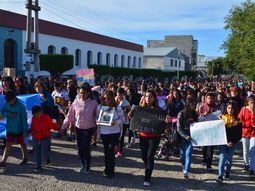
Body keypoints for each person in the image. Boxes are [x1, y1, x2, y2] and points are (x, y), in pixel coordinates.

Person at [129, 90, 163, 187]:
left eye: (150, 96)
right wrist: (131, 115)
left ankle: (147, 177)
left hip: (154, 137)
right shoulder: (140, 108)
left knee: (150, 156)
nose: (148, 98)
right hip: (143, 135)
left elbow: (162, 123)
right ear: (144, 98)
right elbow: (134, 120)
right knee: (144, 156)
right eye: (147, 96)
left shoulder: (158, 110)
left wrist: (165, 120)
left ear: (154, 98)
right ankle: (148, 167)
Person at [61, 83, 97, 173]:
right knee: (80, 149)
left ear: (88, 93)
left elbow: (98, 116)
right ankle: (83, 163)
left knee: (86, 147)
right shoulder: (76, 102)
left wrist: (99, 128)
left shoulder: (93, 103)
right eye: (81, 93)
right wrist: (64, 126)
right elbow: (69, 116)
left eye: (84, 93)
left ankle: (87, 165)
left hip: (89, 128)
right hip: (78, 128)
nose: (82, 95)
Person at [97, 90, 124, 178]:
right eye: (104, 98)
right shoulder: (100, 107)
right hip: (104, 132)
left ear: (112, 99)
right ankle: (107, 168)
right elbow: (96, 119)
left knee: (110, 150)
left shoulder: (118, 108)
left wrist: (115, 122)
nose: (106, 100)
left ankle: (110, 170)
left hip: (114, 132)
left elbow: (123, 120)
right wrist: (98, 121)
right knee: (106, 151)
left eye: (108, 98)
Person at [0, 90, 28, 171]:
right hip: (10, 129)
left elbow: (24, 119)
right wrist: (8, 114)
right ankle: (3, 161)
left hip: (19, 130)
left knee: (23, 144)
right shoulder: (7, 103)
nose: (9, 103)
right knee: (8, 145)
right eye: (8, 102)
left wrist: (25, 131)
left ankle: (25, 158)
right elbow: (2, 112)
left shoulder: (21, 106)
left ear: (14, 98)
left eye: (10, 101)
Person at [216, 101, 242, 183]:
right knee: (222, 157)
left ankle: (227, 172)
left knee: (229, 159)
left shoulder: (238, 120)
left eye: (232, 108)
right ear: (226, 108)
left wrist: (232, 142)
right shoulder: (221, 118)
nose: (230, 110)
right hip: (222, 142)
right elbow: (218, 131)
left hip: (232, 143)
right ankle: (220, 175)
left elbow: (239, 134)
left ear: (235, 110)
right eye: (229, 108)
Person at [30, 106, 58, 172]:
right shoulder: (33, 118)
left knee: (45, 151)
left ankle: (47, 158)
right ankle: (38, 165)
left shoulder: (46, 117)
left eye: (37, 114)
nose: (36, 116)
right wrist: (30, 132)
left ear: (41, 112)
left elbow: (51, 125)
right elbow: (32, 127)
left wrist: (58, 128)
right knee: (37, 151)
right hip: (36, 137)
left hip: (45, 137)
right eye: (34, 115)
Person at [177, 98, 198, 179]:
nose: (193, 105)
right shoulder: (181, 113)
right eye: (192, 104)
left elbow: (198, 125)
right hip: (183, 135)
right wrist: (185, 136)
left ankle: (186, 170)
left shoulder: (195, 114)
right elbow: (179, 128)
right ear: (188, 104)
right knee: (182, 154)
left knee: (188, 153)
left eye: (194, 104)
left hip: (192, 136)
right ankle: (183, 164)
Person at [198, 92, 219, 171]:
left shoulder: (216, 107)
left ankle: (209, 165)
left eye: (212, 98)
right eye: (208, 98)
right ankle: (205, 159)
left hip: (212, 130)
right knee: (204, 147)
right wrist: (203, 114)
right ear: (206, 98)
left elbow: (219, 118)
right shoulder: (202, 106)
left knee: (210, 148)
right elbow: (198, 118)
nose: (210, 100)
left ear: (214, 99)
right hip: (203, 130)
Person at [238, 95, 255, 177]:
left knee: (252, 150)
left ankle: (252, 169)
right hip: (244, 133)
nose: (253, 105)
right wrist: (249, 124)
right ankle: (246, 164)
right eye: (251, 103)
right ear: (248, 102)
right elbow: (239, 121)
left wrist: (253, 113)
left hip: (253, 133)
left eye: (254, 103)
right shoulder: (243, 109)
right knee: (245, 150)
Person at [115, 87, 131, 157]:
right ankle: (115, 149)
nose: (119, 97)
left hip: (124, 121)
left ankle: (120, 151)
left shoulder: (126, 102)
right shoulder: (114, 100)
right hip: (115, 121)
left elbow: (131, 110)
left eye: (121, 95)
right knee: (116, 136)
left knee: (121, 136)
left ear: (123, 94)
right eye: (118, 95)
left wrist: (128, 113)